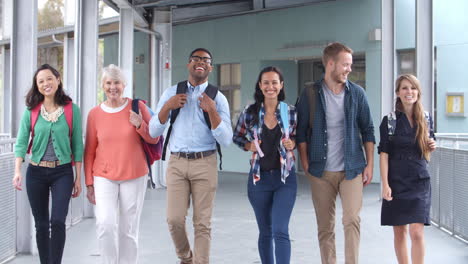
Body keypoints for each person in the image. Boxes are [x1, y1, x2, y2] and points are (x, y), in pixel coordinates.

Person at [149, 48, 232, 264]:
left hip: (205, 162)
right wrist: (168, 107)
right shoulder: (171, 93)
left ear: (210, 67)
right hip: (177, 162)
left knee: (202, 223)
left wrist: (212, 111)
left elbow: (226, 139)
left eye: (206, 60)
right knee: (174, 219)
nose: (200, 62)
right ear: (188, 64)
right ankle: (186, 257)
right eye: (196, 59)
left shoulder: (218, 98)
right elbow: (152, 131)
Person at [296, 42, 375, 264]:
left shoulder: (357, 93)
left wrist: (370, 165)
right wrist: (306, 164)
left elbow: (368, 129)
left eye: (350, 65)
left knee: (351, 220)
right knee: (325, 226)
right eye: (346, 64)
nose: (350, 69)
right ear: (331, 64)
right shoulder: (310, 93)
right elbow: (301, 132)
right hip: (320, 171)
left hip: (352, 168)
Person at [84, 64, 159, 264]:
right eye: (108, 83)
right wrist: (89, 183)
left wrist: (140, 125)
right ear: (103, 86)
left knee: (128, 229)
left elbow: (154, 138)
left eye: (116, 82)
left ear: (124, 85)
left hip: (134, 174)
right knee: (105, 224)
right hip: (103, 176)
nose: (112, 87)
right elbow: (89, 150)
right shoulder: (94, 114)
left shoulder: (137, 107)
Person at [12, 64, 83, 264]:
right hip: (35, 173)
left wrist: (78, 177)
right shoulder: (32, 111)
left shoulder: (71, 109)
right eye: (41, 81)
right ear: (37, 86)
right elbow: (21, 142)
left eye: (49, 79)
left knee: (58, 221)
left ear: (58, 79)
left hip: (63, 172)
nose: (46, 84)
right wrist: (17, 171)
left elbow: (77, 145)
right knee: (41, 225)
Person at [233, 66, 297, 264]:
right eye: (266, 82)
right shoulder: (250, 113)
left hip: (284, 179)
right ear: (260, 86)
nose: (270, 86)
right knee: (266, 231)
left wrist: (292, 143)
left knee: (280, 230)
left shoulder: (291, 112)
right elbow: (236, 136)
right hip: (259, 180)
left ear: (281, 85)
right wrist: (248, 145)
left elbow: (300, 137)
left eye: (274, 82)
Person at [379, 74, 436, 264]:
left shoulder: (426, 118)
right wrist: (385, 184)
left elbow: (428, 145)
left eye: (412, 88)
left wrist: (432, 145)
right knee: (400, 232)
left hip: (420, 180)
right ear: (397, 93)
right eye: (404, 88)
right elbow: (384, 154)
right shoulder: (389, 121)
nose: (409, 92)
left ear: (418, 92)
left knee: (417, 232)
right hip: (396, 182)